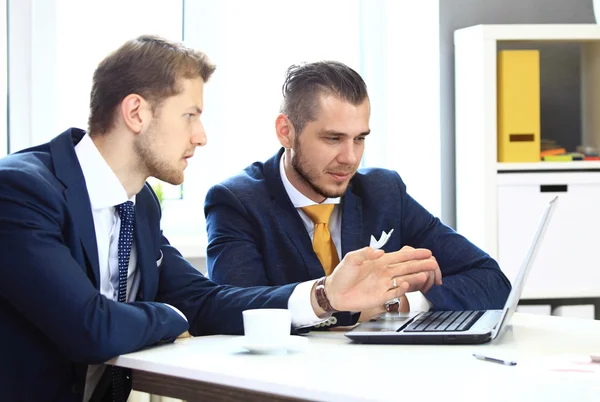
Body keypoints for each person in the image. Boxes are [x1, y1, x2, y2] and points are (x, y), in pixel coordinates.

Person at [0, 38, 439, 402]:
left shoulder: (139, 205)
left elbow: (207, 302)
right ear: (136, 112)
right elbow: (90, 329)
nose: (201, 136)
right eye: (190, 114)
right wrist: (173, 314)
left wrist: (324, 296)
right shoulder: (20, 191)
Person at [205, 60, 512, 327]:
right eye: (333, 138)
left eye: (360, 139)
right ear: (286, 131)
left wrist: (398, 303)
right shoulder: (236, 201)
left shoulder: (383, 191)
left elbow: (492, 282)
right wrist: (345, 305)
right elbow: (234, 311)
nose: (350, 158)